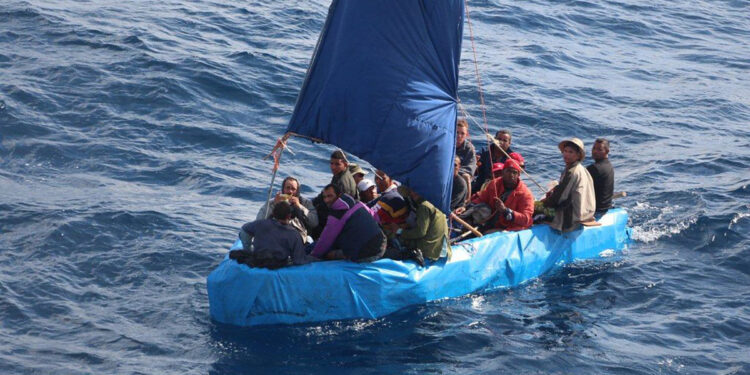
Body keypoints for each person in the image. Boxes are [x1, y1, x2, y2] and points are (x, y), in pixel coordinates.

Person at [310, 184, 387, 262]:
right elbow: (375, 217)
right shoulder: (358, 203)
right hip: (382, 244)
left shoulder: (337, 214)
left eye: (330, 196)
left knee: (328, 254)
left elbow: (326, 240)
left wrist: (312, 257)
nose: (326, 200)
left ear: (339, 195)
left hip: (367, 254)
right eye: (324, 197)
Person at [234, 201, 316, 269]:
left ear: (273, 213)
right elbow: (299, 260)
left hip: (258, 259)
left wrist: (248, 249)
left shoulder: (260, 224)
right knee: (309, 240)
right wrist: (318, 258)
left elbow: (244, 231)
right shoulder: (294, 234)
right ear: (289, 216)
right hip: (278, 263)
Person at [462, 159, 534, 232]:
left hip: (510, 228)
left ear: (518, 175)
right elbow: (482, 198)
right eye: (508, 171)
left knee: (487, 233)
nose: (511, 175)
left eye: (514, 172)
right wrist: (466, 208)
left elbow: (526, 219)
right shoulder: (495, 184)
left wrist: (505, 211)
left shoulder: (525, 194)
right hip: (491, 222)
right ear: (503, 172)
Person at [542, 137, 596, 232]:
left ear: (578, 155)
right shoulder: (582, 169)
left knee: (535, 209)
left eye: (570, 152)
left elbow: (558, 199)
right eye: (565, 151)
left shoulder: (571, 172)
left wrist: (543, 203)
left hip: (571, 218)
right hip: (585, 212)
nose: (566, 154)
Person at [387, 186, 451, 262]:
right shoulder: (435, 201)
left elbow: (420, 232)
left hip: (431, 251)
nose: (412, 193)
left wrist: (399, 231)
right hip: (439, 248)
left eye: (415, 190)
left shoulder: (424, 206)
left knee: (395, 240)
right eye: (411, 191)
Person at [311, 150, 359, 239]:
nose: (333, 167)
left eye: (337, 164)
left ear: (345, 164)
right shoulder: (339, 174)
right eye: (331, 163)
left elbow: (339, 209)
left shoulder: (342, 182)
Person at [256, 176, 318, 242]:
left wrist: (300, 206)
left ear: (297, 191)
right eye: (287, 188)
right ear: (283, 189)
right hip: (276, 235)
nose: (290, 191)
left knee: (309, 239)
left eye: (293, 189)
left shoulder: (305, 203)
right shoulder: (273, 202)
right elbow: (259, 220)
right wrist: (274, 205)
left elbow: (314, 222)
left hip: (299, 237)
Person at [587, 138, 614, 214]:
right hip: (606, 207)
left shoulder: (594, 168)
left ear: (607, 151)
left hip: (595, 209)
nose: (595, 151)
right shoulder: (609, 166)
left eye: (599, 149)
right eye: (594, 148)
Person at [455, 118, 476, 202]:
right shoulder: (447, 143)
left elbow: (470, 168)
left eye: (462, 133)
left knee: (466, 177)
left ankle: (466, 201)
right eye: (457, 132)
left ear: (466, 134)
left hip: (460, 173)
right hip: (446, 172)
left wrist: (456, 171)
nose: (459, 136)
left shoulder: (469, 148)